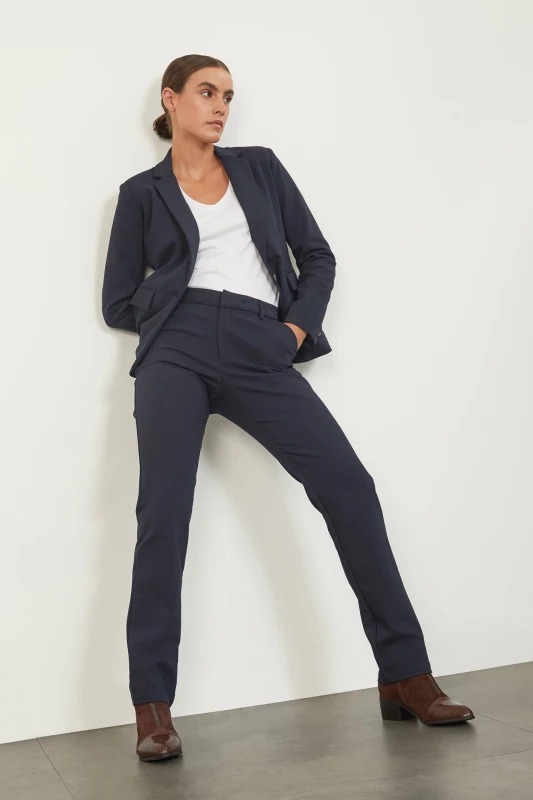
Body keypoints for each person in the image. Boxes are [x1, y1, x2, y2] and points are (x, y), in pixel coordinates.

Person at [102, 54, 474, 762]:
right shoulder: (140, 193)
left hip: (259, 343)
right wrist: (177, 297)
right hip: (176, 349)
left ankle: (406, 674)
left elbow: (317, 256)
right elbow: (117, 300)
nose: (221, 105)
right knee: (163, 518)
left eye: (228, 95)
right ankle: (152, 707)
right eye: (207, 92)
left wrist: (293, 330)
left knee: (348, 486)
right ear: (171, 100)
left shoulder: (260, 168)